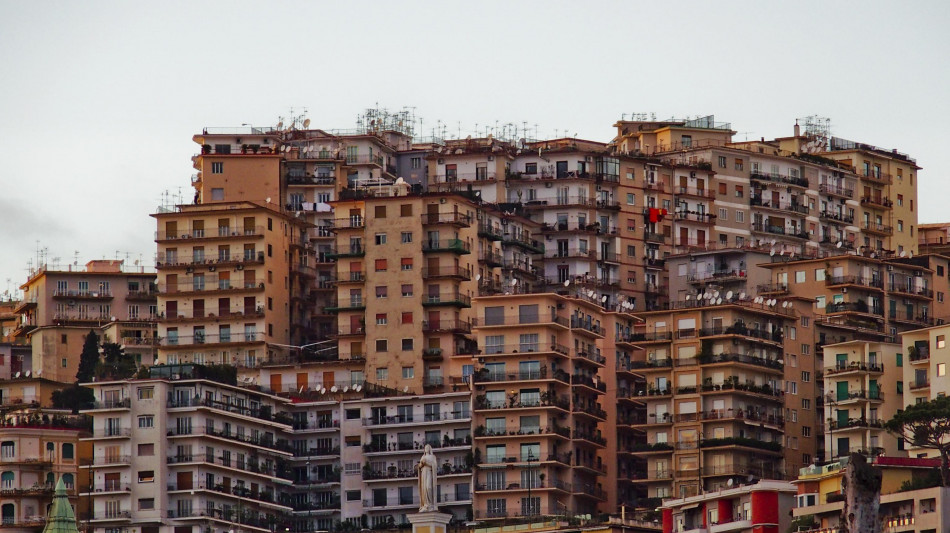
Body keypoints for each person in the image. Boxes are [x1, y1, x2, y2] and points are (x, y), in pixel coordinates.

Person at [415, 444, 438, 512]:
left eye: (427, 448)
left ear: (430, 449)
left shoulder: (433, 457)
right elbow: (419, 466)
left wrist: (426, 463)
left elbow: (434, 465)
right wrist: (421, 464)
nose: (426, 449)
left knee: (429, 487)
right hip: (423, 473)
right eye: (425, 448)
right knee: (424, 488)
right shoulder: (423, 457)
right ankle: (425, 504)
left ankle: (430, 504)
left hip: (429, 472)